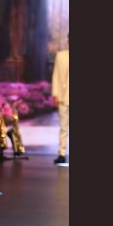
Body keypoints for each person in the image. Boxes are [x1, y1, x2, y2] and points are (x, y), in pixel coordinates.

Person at [51, 33, 69, 164]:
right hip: (64, 96)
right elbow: (56, 75)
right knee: (63, 127)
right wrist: (55, 94)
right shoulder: (61, 55)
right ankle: (61, 154)